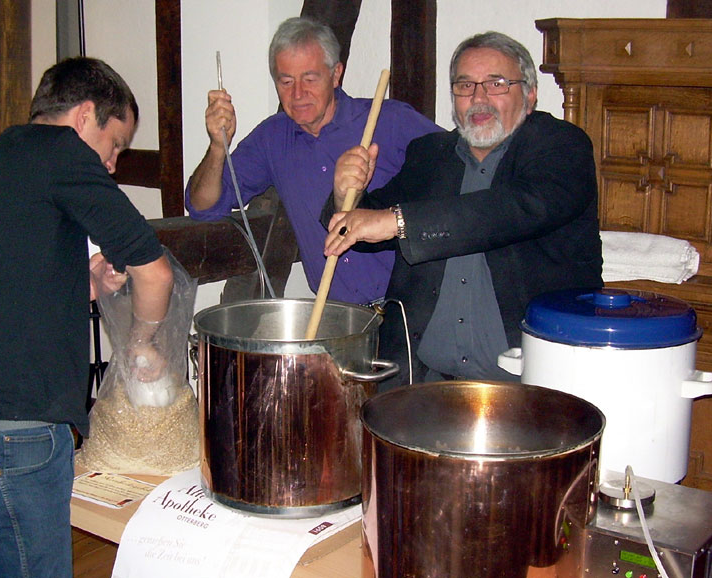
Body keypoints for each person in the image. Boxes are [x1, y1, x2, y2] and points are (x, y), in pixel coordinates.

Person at [0, 57, 174, 577]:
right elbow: (156, 274)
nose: (111, 164)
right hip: (14, 448)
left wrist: (86, 282)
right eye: (115, 145)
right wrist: (142, 343)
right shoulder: (65, 155)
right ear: (85, 116)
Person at [323, 31, 603, 389]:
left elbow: (517, 209)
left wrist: (398, 221)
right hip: (422, 384)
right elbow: (367, 228)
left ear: (530, 95)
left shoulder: (561, 146)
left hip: (532, 389)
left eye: (496, 84)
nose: (479, 98)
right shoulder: (430, 153)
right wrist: (347, 193)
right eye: (465, 85)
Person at [185, 16, 441, 305]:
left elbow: (460, 168)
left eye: (310, 78)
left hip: (411, 312)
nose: (297, 94)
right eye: (286, 81)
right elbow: (202, 207)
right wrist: (218, 146)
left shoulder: (389, 119)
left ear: (335, 75)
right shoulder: (272, 138)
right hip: (338, 317)